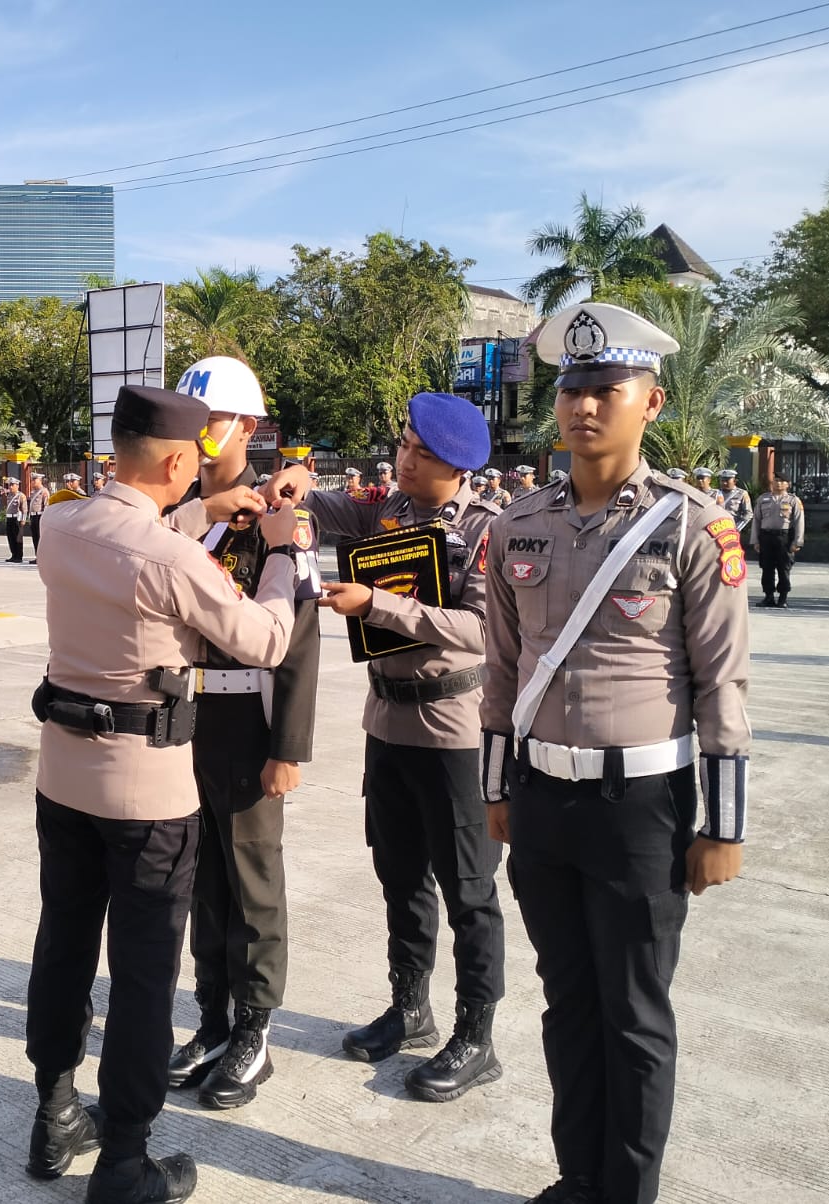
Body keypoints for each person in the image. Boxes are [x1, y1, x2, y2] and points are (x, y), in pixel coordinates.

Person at [481, 301, 750, 1204]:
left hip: (645, 808)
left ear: (651, 403)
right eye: (571, 388)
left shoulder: (691, 527)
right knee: (568, 1005)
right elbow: (502, 668)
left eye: (605, 389)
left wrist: (724, 826)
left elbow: (722, 684)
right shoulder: (518, 525)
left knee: (635, 1015)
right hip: (544, 802)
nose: (583, 406)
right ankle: (579, 1177)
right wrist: (497, 790)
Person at [25, 383, 299, 1202]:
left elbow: (126, 539)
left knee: (64, 947)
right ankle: (125, 1163)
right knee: (144, 977)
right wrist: (283, 550)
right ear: (181, 461)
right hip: (146, 798)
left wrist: (210, 508)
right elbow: (267, 639)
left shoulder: (58, 523)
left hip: (62, 779)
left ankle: (53, 1118)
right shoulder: (174, 557)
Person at [267, 391, 507, 1104]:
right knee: (399, 876)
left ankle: (476, 1034)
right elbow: (319, 506)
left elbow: (482, 630)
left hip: (455, 730)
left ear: (455, 466)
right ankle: (411, 1010)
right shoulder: (389, 510)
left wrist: (377, 605)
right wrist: (297, 478)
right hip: (389, 723)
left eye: (419, 452)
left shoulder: (490, 531)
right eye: (403, 442)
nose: (403, 456)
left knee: (468, 890)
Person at [159, 357, 322, 1111]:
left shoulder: (277, 519)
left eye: (209, 421)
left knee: (254, 882)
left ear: (245, 428)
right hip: (188, 718)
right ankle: (214, 1019)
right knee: (203, 884)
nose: (194, 434)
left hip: (250, 722)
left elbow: (298, 643)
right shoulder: (186, 513)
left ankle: (256, 1030)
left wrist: (288, 748)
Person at [751, 473, 805, 608]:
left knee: (784, 567)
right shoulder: (763, 499)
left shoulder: (793, 500)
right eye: (776, 480)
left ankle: (783, 597)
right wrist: (755, 541)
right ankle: (768, 596)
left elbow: (799, 521)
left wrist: (797, 541)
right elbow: (756, 520)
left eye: (782, 481)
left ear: (788, 484)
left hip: (784, 538)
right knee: (767, 568)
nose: (778, 483)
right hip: (766, 537)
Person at [715, 469, 752, 534]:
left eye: (727, 480)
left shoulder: (742, 494)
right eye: (722, 480)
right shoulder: (715, 493)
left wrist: (737, 528)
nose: (724, 483)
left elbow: (748, 514)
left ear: (735, 481)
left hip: (733, 528)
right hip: (717, 529)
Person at [4, 475, 27, 563]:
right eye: (9, 485)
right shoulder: (9, 495)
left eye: (12, 485)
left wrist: (23, 520)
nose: (10, 487)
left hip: (17, 519)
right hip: (10, 518)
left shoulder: (21, 496)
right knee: (11, 538)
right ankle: (13, 555)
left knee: (18, 538)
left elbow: (24, 509)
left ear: (17, 485)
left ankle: (19, 556)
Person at [28, 472, 50, 563]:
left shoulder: (44, 491)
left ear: (40, 480)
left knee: (41, 538)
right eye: (32, 480)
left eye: (34, 480)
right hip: (33, 516)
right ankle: (37, 556)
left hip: (40, 516)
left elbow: (46, 506)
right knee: (35, 538)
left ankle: (43, 558)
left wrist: (44, 519)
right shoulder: (33, 492)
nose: (32, 482)